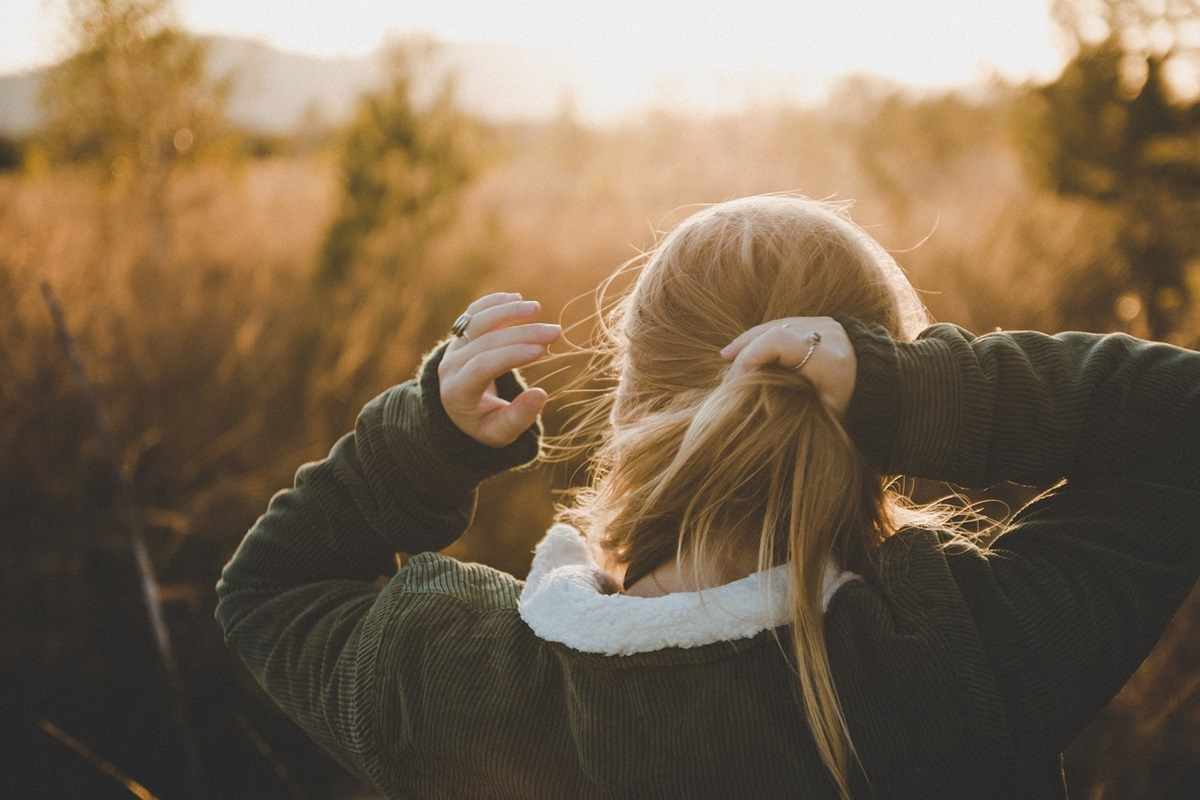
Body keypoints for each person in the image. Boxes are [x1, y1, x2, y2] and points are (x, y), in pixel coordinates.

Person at [214, 195, 1200, 798]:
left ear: (634, 401)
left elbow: (269, 587)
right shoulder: (968, 651)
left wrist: (424, 440)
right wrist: (908, 391)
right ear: (863, 414)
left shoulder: (471, 680)